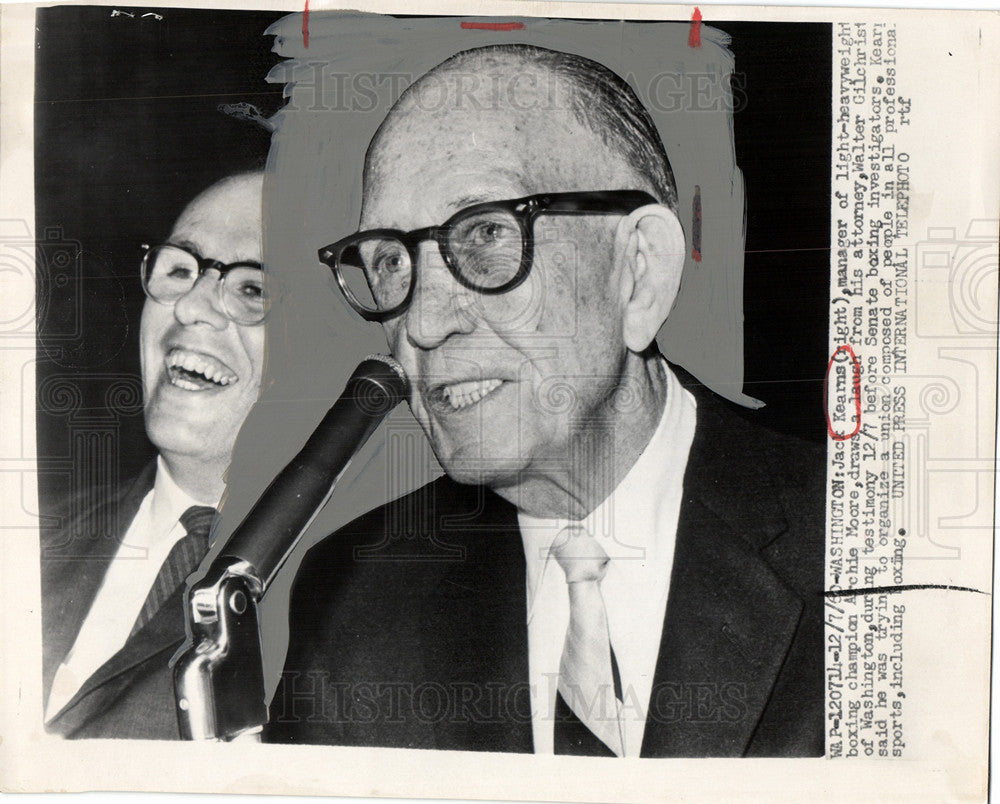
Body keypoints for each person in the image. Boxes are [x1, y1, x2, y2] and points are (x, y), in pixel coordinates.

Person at [265, 44, 824, 757]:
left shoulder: (867, 548)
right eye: (389, 262)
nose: (423, 323)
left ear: (638, 272)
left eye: (488, 234)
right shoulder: (355, 593)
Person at [41, 171, 267, 739]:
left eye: (253, 289)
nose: (191, 306)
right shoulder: (28, 537)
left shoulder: (354, 600)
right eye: (179, 269)